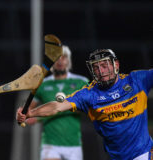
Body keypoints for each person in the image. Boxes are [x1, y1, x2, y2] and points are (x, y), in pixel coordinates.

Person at [17, 49, 153, 160]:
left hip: (144, 152)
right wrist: (31, 113)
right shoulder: (88, 94)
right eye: (96, 67)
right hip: (116, 156)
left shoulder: (136, 81)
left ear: (116, 64)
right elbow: (57, 106)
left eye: (104, 65)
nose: (101, 71)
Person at [24, 45, 88, 160]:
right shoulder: (42, 84)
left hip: (74, 144)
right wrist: (29, 116)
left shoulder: (81, 82)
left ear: (68, 60)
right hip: (50, 144)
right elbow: (28, 110)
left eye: (63, 58)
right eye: (56, 58)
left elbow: (88, 107)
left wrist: (65, 107)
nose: (60, 61)